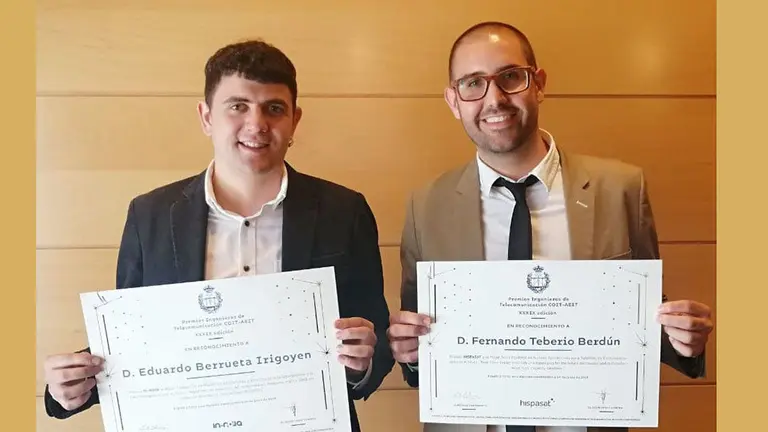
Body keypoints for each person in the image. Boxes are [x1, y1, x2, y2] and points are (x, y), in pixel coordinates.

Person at [42, 39, 395, 432]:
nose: (257, 124)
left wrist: (362, 363)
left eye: (273, 108)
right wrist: (70, 387)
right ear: (207, 116)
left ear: (294, 119)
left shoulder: (344, 211)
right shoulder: (151, 216)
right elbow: (137, 343)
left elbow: (376, 340)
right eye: (238, 106)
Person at [386, 21, 714, 432]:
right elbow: (420, 348)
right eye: (473, 84)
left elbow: (644, 321)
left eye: (510, 77)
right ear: (454, 100)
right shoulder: (425, 206)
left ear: (538, 83)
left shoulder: (620, 189)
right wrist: (408, 350)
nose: (495, 99)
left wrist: (685, 338)